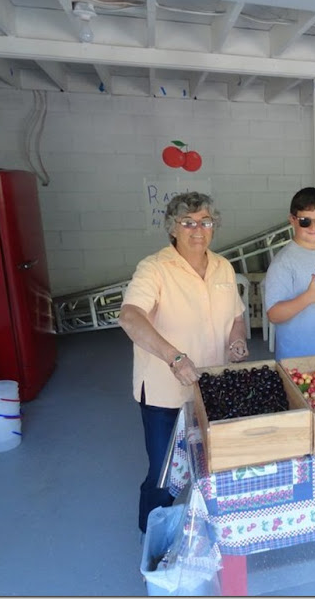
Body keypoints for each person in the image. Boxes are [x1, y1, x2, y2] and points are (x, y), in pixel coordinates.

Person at [119, 191, 249, 534]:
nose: (198, 230)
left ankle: (207, 535)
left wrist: (236, 340)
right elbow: (130, 317)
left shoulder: (223, 267)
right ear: (172, 227)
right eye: (188, 222)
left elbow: (237, 318)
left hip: (211, 390)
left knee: (210, 467)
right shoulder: (154, 268)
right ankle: (154, 545)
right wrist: (173, 357)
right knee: (163, 476)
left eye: (205, 222)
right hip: (166, 396)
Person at [264, 187, 315, 361]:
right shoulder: (283, 262)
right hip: (299, 360)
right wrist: (307, 298)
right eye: (305, 221)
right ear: (292, 220)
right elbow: (274, 315)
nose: (313, 228)